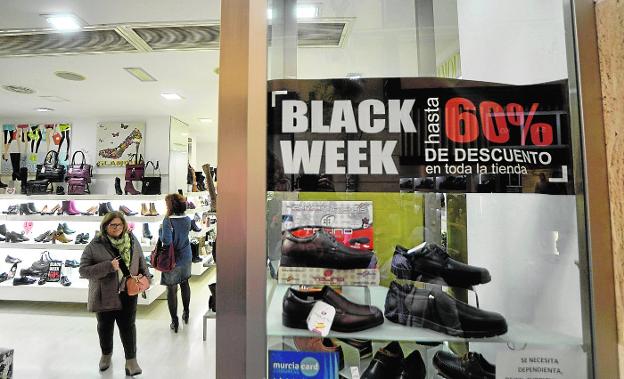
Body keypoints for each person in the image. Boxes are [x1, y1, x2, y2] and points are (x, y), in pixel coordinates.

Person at [79, 211, 149, 376]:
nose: (117, 228)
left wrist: (146, 278)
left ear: (124, 225)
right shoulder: (94, 245)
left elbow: (141, 260)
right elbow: (83, 270)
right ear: (105, 226)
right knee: (105, 326)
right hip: (105, 294)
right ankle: (106, 355)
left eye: (119, 224)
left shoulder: (132, 240)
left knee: (128, 326)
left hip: (128, 291)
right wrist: (108, 266)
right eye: (112, 225)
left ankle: (131, 360)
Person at [160, 193, 192, 333]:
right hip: (186, 256)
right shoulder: (187, 218)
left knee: (171, 289)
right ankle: (186, 312)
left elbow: (166, 241)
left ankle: (174, 320)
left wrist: (160, 231)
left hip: (171, 259)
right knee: (185, 283)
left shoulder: (168, 221)